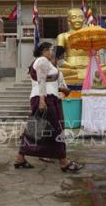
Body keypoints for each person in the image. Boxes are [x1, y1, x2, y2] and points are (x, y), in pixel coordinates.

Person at [14, 42, 83, 172]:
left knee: (35, 128)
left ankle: (20, 158)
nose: (52, 52)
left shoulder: (44, 62)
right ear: (45, 50)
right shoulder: (42, 60)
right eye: (51, 49)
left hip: (48, 97)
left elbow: (47, 81)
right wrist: (42, 100)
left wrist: (61, 89)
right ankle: (63, 161)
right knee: (56, 130)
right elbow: (41, 80)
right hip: (45, 98)